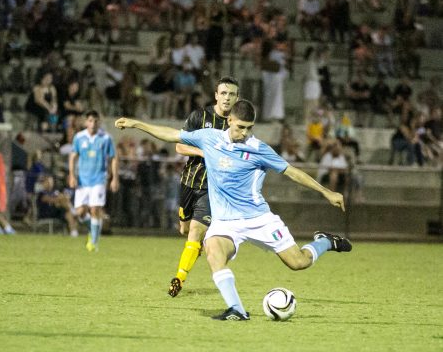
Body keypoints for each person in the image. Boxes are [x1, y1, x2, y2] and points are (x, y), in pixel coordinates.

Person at [115, 99, 352, 321]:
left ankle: (325, 242)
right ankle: (237, 310)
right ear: (229, 121)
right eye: (241, 127)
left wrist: (326, 192)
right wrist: (137, 124)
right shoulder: (209, 138)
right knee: (212, 249)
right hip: (225, 221)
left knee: (298, 262)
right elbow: (172, 135)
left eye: (249, 127)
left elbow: (292, 172)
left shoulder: (259, 148)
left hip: (259, 218)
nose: (245, 133)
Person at [167, 76, 239, 297]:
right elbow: (179, 147)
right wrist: (203, 152)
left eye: (232, 94)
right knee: (185, 229)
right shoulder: (200, 117)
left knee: (196, 233)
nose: (227, 98)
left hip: (212, 190)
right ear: (216, 95)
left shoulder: (238, 125)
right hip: (189, 183)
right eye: (223, 93)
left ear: (237, 98)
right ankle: (193, 249)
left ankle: (178, 278)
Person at [68, 110, 119, 252]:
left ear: (99, 122)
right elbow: (73, 156)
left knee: (95, 209)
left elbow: (113, 157)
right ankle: (94, 228)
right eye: (90, 120)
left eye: (96, 121)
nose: (93, 123)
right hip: (83, 181)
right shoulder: (79, 137)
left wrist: (115, 178)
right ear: (86, 122)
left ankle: (94, 242)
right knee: (80, 213)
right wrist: (72, 175)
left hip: (99, 179)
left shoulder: (106, 138)